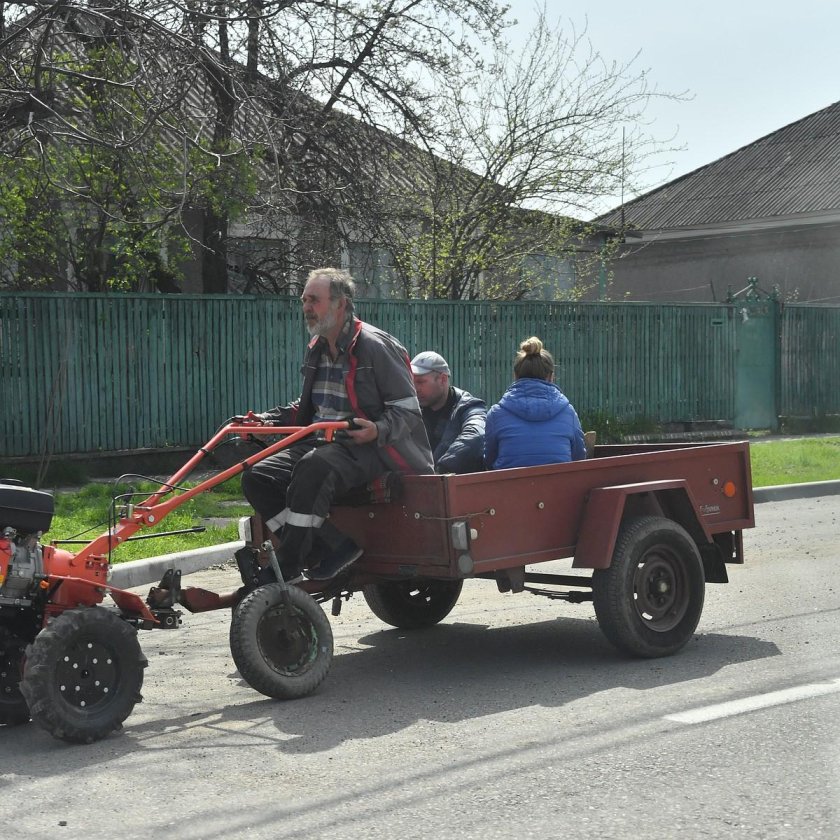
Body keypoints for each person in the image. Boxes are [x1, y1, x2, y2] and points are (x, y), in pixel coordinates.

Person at [239, 268, 433, 581]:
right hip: (322, 443)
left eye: (314, 300)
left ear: (340, 304)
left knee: (313, 467)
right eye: (304, 300)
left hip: (371, 447)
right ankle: (331, 545)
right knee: (257, 477)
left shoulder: (377, 346)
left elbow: (408, 412)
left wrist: (376, 429)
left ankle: (288, 566)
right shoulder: (316, 346)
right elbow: (314, 408)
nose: (306, 307)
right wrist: (267, 420)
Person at [484, 336, 586, 470]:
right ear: (551, 377)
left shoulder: (496, 414)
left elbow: (489, 460)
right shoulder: (568, 412)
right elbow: (579, 459)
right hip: (560, 488)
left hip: (510, 489)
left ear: (515, 375)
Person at [410, 351, 486, 474]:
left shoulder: (469, 407)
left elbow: (476, 436)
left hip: (458, 489)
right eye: (411, 382)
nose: (415, 388)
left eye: (420, 382)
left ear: (443, 379)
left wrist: (441, 470)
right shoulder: (411, 410)